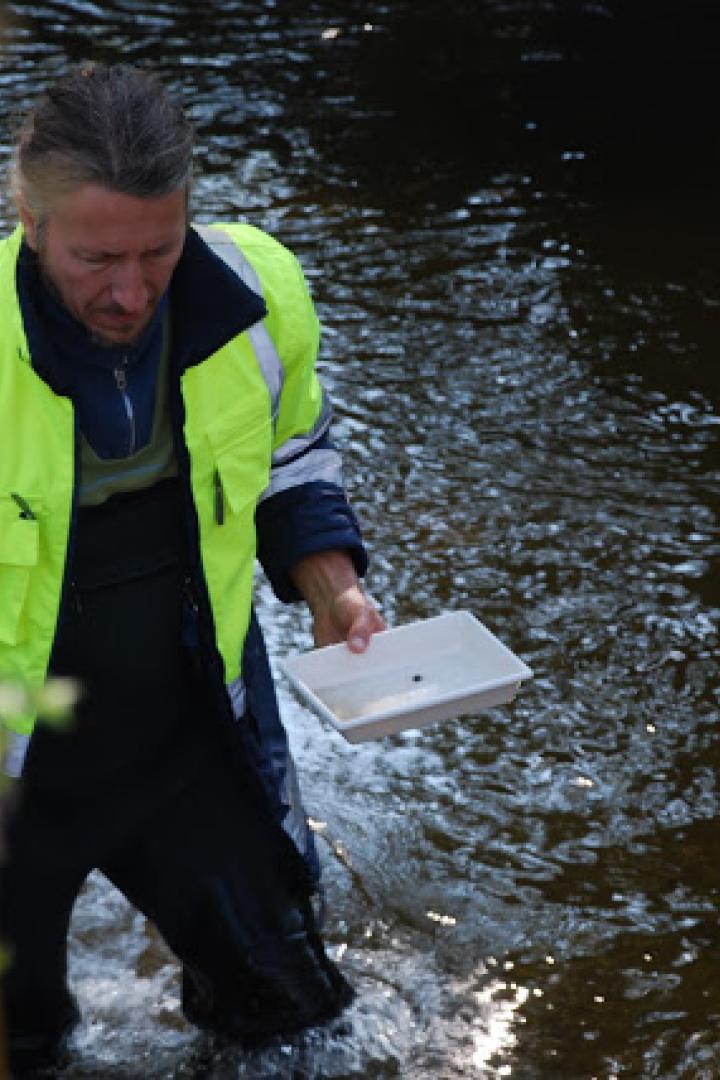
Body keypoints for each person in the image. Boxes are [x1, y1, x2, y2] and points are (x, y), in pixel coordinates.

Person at [0, 62, 385, 1074]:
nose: (129, 292)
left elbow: (294, 462)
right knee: (25, 1048)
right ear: (26, 216)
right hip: (15, 765)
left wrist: (331, 584)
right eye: (95, 258)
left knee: (295, 1021)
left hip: (185, 729)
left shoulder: (260, 295)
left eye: (158, 252)